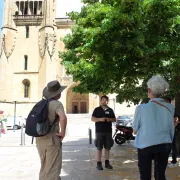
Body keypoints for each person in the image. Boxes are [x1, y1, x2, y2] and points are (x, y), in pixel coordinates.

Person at [132, 75, 175, 180]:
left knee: (145, 176)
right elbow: (171, 128)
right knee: (160, 175)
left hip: (145, 145)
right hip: (164, 144)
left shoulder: (141, 108)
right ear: (164, 92)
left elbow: (135, 130)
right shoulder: (170, 107)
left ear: (149, 90)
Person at [36, 80, 67, 180]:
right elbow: (63, 117)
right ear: (58, 93)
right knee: (53, 169)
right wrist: (63, 132)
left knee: (44, 167)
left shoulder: (41, 103)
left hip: (40, 139)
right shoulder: (57, 104)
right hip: (52, 139)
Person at [91, 95, 116, 170]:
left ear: (107, 101)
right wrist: (100, 119)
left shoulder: (110, 110)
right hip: (99, 131)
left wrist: (109, 119)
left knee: (107, 147)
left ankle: (107, 163)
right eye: (103, 100)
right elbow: (92, 119)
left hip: (108, 131)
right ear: (100, 101)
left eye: (106, 100)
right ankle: (98, 164)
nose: (104, 101)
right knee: (99, 147)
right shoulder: (97, 109)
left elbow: (114, 119)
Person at [163, 96, 179, 166]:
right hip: (164, 130)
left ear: (168, 102)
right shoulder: (163, 109)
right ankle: (165, 160)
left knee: (172, 145)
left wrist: (173, 126)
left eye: (165, 101)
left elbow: (177, 119)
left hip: (171, 130)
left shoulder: (173, 109)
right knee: (164, 146)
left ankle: (174, 160)